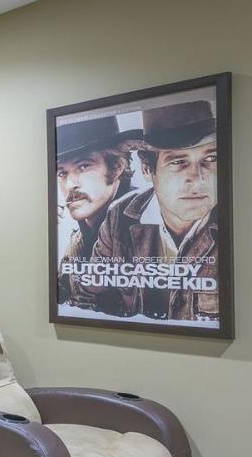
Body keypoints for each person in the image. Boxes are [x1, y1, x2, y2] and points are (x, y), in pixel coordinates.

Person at [88, 100, 221, 323]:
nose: (198, 179)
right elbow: (89, 298)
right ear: (147, 170)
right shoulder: (120, 217)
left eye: (211, 158)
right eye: (178, 162)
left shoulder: (234, 221)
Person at [53, 115, 140, 307]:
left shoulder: (144, 229)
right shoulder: (79, 238)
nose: (70, 185)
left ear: (117, 167)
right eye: (62, 173)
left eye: (83, 166)